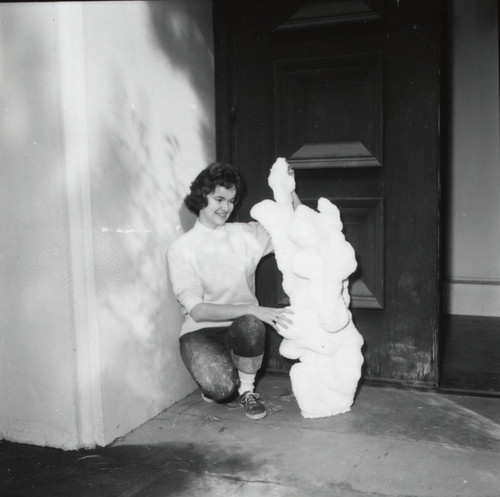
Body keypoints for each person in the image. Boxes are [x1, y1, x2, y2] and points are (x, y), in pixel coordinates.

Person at [167, 161, 300, 420]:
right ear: (201, 197)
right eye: (219, 198)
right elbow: (197, 309)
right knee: (220, 389)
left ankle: (247, 390)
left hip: (242, 326)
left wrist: (289, 188)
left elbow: (294, 226)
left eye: (231, 200)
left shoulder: (246, 234)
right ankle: (222, 382)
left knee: (251, 323)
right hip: (200, 331)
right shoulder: (181, 248)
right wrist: (252, 307)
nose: (226, 207)